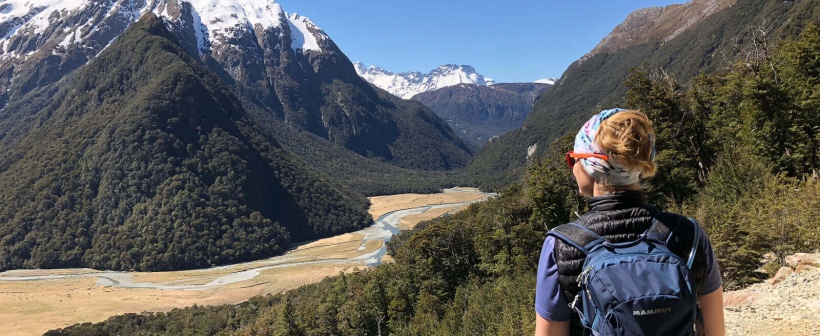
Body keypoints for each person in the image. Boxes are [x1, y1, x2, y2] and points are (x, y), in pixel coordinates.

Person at [533, 108, 725, 336]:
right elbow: (714, 329)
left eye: (573, 159)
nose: (573, 167)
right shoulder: (689, 235)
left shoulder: (562, 245)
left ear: (589, 165)